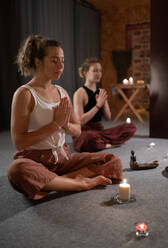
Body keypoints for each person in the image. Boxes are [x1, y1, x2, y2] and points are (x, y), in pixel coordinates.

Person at [7, 35, 123, 200]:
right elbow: (19, 142)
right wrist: (55, 124)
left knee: (112, 160)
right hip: (36, 161)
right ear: (37, 61)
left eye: (62, 60)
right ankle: (80, 183)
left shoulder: (62, 93)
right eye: (54, 60)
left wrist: (65, 125)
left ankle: (55, 182)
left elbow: (76, 131)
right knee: (16, 170)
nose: (61, 65)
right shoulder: (24, 94)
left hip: (64, 159)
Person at [72, 57, 136, 152]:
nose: (99, 74)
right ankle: (105, 143)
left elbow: (108, 117)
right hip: (84, 132)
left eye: (100, 71)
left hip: (99, 131)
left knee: (131, 127)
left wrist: (103, 103)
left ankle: (102, 142)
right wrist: (98, 105)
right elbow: (80, 121)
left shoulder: (101, 92)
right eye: (95, 71)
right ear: (86, 73)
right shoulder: (79, 93)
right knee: (90, 138)